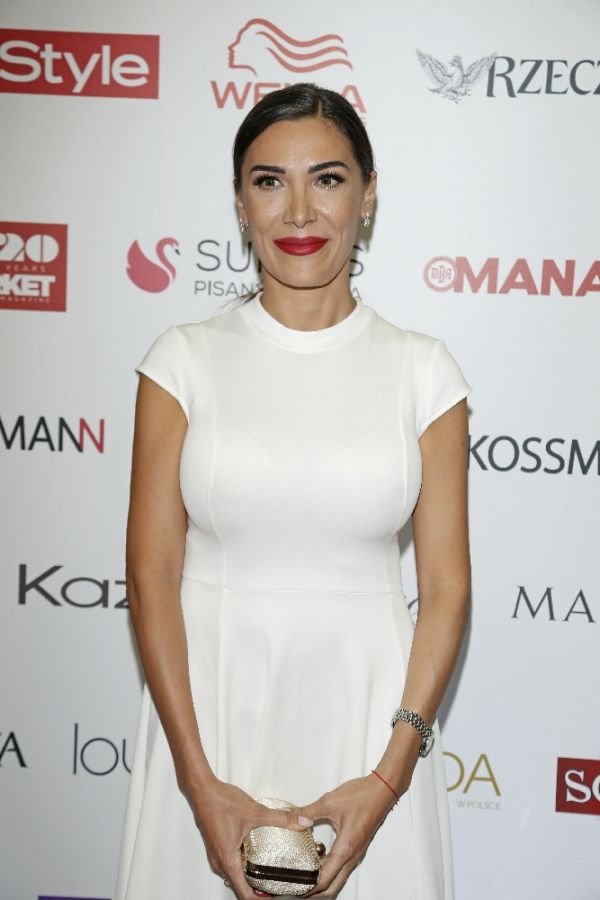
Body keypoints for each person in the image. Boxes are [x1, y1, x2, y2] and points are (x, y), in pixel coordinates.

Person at [115, 83, 471, 900]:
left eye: (329, 179)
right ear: (241, 203)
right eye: (270, 181)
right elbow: (149, 577)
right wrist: (198, 783)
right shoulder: (181, 361)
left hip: (371, 733)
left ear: (368, 194)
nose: (300, 212)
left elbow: (447, 588)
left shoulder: (425, 372)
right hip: (207, 729)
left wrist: (386, 780)